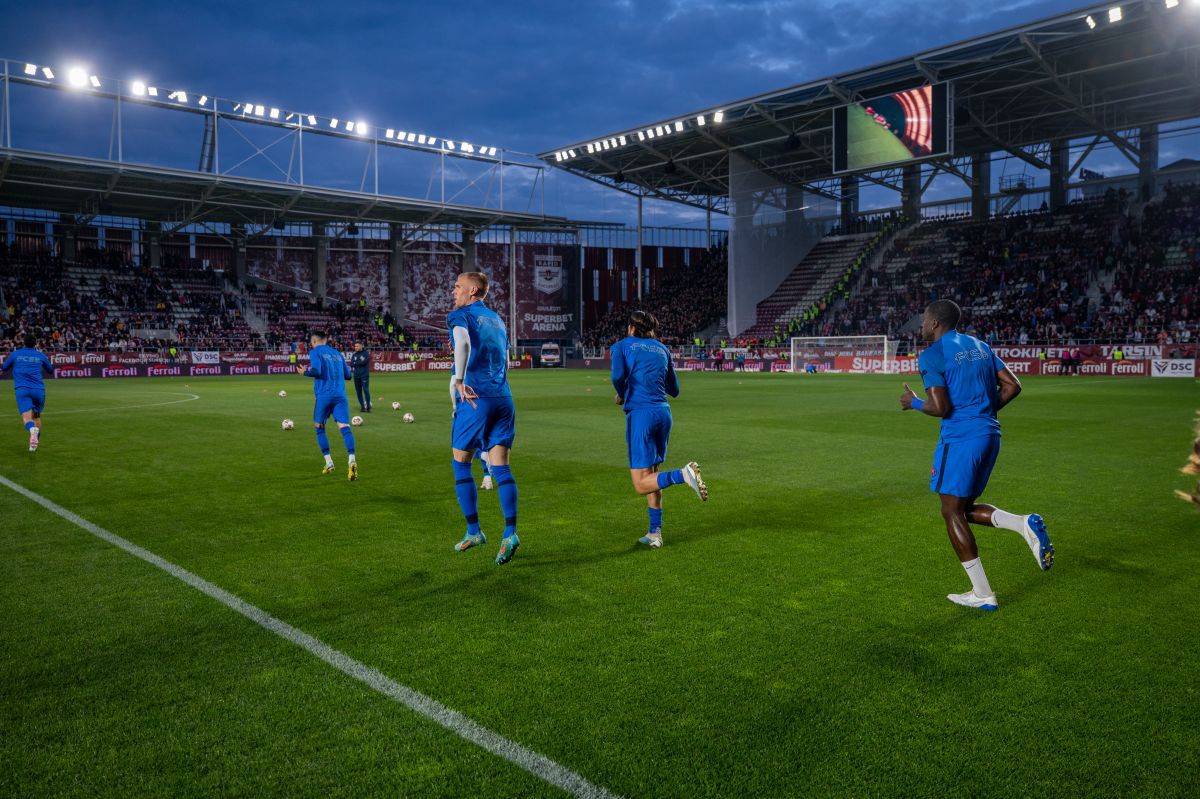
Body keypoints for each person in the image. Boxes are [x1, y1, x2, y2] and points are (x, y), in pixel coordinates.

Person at [900, 300, 1054, 612]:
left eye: (925, 320)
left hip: (960, 440)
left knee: (950, 512)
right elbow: (1013, 385)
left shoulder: (932, 354)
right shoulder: (980, 345)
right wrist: (982, 412)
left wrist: (913, 402)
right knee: (962, 508)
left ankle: (983, 594)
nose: (921, 325)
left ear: (936, 323)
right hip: (989, 435)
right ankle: (1023, 525)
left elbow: (940, 407)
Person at [611, 309, 708, 549]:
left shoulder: (623, 346)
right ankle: (655, 533)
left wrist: (622, 393)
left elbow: (617, 375)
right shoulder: (662, 349)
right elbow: (674, 390)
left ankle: (683, 474)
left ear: (632, 328)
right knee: (653, 476)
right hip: (663, 414)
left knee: (640, 484)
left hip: (642, 415)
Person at [448, 272, 521, 565]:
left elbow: (463, 344)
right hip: (504, 397)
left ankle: (474, 530)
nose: (454, 291)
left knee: (460, 462)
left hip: (476, 398)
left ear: (473, 290)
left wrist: (460, 379)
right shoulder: (497, 320)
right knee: (501, 467)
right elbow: (505, 361)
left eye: (458, 286)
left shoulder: (460, 315)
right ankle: (510, 533)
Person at [296, 331, 357, 480]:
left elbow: (317, 371)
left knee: (319, 428)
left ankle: (329, 462)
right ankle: (352, 460)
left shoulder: (315, 352)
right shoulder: (337, 353)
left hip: (324, 396)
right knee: (345, 428)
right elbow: (348, 376)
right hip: (340, 396)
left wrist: (305, 372)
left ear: (315, 341)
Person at [1, 332, 54, 452]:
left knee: (26, 418)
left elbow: (4, 367)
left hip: (22, 389)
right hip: (39, 391)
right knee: (36, 415)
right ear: (35, 343)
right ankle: (35, 442)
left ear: (23, 343)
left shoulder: (16, 354)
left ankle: (32, 431)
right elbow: (50, 370)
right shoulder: (41, 355)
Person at [349, 341, 372, 413]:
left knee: (365, 390)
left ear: (361, 346)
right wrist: (358, 363)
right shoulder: (354, 355)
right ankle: (362, 406)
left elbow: (364, 362)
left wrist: (356, 363)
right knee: (358, 391)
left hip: (364, 375)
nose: (356, 347)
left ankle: (368, 407)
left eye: (357, 346)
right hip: (356, 375)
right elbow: (351, 364)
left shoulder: (366, 353)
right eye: (355, 346)